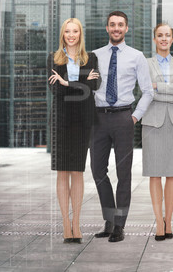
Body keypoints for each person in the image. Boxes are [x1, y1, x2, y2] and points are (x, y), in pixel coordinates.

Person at [91, 11, 154, 243]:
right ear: (107, 28)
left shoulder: (137, 57)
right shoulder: (94, 55)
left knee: (123, 173)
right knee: (98, 170)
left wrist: (135, 117)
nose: (116, 28)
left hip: (123, 119)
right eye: (112, 25)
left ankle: (119, 225)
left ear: (126, 28)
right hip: (98, 119)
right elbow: (87, 86)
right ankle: (109, 220)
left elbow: (148, 91)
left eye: (120, 25)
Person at [47, 18, 100, 244]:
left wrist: (68, 83)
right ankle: (65, 224)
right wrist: (82, 82)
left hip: (82, 121)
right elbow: (54, 90)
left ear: (81, 34)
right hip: (61, 120)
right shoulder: (53, 58)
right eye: (67, 31)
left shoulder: (91, 58)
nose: (71, 35)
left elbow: (94, 87)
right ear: (62, 34)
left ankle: (76, 223)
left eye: (75, 31)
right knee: (62, 173)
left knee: (77, 172)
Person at [141, 23, 173, 241]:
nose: (163, 39)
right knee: (154, 172)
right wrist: (171, 90)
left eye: (167, 35)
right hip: (153, 122)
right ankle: (158, 222)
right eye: (159, 35)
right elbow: (146, 91)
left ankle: (168, 221)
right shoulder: (145, 64)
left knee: (172, 173)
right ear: (154, 39)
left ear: (172, 39)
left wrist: (159, 87)